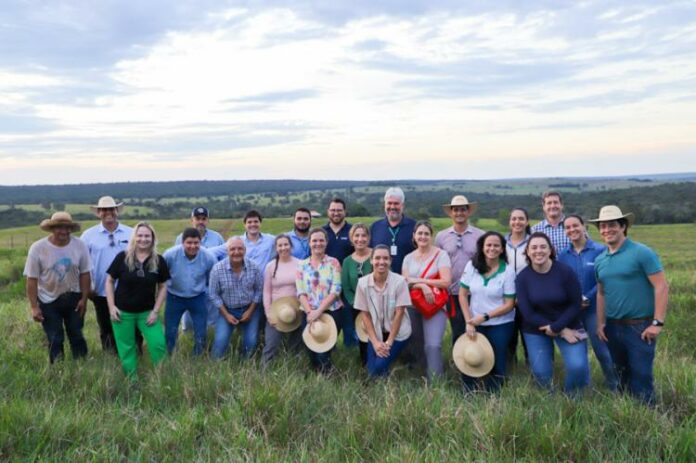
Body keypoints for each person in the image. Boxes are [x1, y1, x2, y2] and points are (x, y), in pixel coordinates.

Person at [591, 205, 669, 405]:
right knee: (620, 373)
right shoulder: (600, 260)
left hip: (640, 327)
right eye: (603, 226)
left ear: (623, 226)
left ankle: (649, 420)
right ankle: (627, 416)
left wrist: (657, 323)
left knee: (641, 375)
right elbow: (601, 293)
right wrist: (600, 323)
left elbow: (661, 286)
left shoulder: (642, 253)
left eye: (611, 225)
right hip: (613, 326)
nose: (607, 230)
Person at [515, 232, 589, 394]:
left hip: (569, 323)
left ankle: (572, 398)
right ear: (527, 251)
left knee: (578, 367)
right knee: (541, 373)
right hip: (536, 329)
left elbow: (576, 303)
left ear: (551, 250)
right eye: (533, 247)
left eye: (543, 247)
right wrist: (559, 329)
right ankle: (549, 399)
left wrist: (558, 326)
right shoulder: (522, 278)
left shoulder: (565, 272)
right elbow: (527, 313)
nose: (538, 251)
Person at [558, 214, 618, 391]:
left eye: (575, 225)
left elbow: (604, 279)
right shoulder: (563, 255)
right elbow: (562, 282)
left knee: (603, 351)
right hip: (572, 313)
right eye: (567, 227)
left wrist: (585, 298)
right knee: (578, 354)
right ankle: (584, 388)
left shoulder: (599, 250)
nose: (572, 230)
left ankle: (615, 387)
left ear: (584, 226)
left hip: (595, 311)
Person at [24, 212, 91, 363]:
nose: (64, 231)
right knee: (55, 337)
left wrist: (84, 299)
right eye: (59, 227)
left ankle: (81, 365)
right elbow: (32, 279)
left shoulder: (80, 245)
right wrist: (34, 306)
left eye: (67, 227)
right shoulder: (38, 248)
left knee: (77, 334)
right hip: (48, 299)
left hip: (73, 296)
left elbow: (85, 273)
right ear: (52, 228)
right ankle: (58, 369)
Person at [106, 222, 169, 378]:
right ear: (134, 237)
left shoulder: (158, 260)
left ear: (152, 238)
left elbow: (163, 286)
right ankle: (131, 379)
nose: (143, 239)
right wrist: (111, 307)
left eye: (147, 236)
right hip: (123, 312)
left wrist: (156, 311)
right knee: (126, 348)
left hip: (147, 313)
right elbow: (109, 281)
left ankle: (159, 376)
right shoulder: (123, 257)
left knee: (158, 344)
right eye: (140, 235)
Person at [458, 232, 516, 392]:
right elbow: (462, 295)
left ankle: (494, 392)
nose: (492, 248)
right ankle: (469, 391)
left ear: (502, 249)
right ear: (482, 248)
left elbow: (509, 304)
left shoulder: (508, 271)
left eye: (496, 245)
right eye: (488, 245)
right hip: (474, 321)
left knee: (497, 356)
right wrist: (469, 321)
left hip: (500, 323)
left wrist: (484, 317)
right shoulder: (472, 266)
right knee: (471, 354)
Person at [80, 196, 136, 354]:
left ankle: (134, 356)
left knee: (131, 326)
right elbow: (83, 264)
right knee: (106, 327)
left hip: (127, 290)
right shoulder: (88, 236)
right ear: (98, 213)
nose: (108, 213)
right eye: (104, 210)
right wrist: (88, 288)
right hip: (100, 290)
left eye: (111, 209)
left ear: (117, 211)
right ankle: (111, 360)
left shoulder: (131, 233)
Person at [402, 220, 452, 381]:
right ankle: (422, 373)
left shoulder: (440, 255)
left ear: (431, 236)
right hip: (413, 305)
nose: (423, 236)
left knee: (433, 345)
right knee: (416, 342)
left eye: (426, 233)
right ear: (414, 236)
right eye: (419, 233)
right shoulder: (408, 258)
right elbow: (405, 281)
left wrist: (422, 283)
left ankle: (436, 382)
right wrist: (423, 286)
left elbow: (446, 281)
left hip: (434, 306)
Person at [354, 245, 412, 377]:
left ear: (390, 261)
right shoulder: (362, 283)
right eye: (377, 258)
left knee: (378, 367)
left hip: (397, 332)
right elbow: (365, 315)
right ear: (371, 260)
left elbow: (400, 313)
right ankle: (384, 381)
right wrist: (375, 342)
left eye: (385, 258)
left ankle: (385, 375)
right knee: (371, 372)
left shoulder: (399, 282)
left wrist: (388, 343)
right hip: (375, 331)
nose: (381, 262)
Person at [435, 195, 483, 346]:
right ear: (451, 213)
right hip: (451, 292)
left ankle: (479, 361)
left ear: (468, 212)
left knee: (477, 327)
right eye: (455, 210)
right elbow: (437, 264)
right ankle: (460, 362)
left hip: (475, 291)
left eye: (463, 209)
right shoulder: (441, 237)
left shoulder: (480, 235)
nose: (459, 213)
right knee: (457, 329)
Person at [162, 228, 217, 356]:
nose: (193, 246)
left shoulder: (209, 257)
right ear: (182, 242)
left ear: (201, 242)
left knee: (201, 331)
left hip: (197, 297)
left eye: (196, 243)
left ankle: (197, 357)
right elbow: (162, 276)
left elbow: (211, 278)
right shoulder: (169, 255)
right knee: (170, 330)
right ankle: (170, 355)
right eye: (189, 243)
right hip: (174, 297)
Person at [296, 228, 343, 373]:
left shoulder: (333, 263)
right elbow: (301, 292)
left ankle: (328, 376)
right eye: (314, 240)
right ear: (309, 243)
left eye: (321, 240)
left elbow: (335, 290)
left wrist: (319, 311)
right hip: (308, 312)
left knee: (324, 351)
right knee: (311, 347)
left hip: (331, 311)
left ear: (326, 242)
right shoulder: (302, 265)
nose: (318, 243)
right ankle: (316, 378)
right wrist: (310, 312)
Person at [209, 237, 263, 360]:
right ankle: (215, 367)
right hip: (227, 310)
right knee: (220, 341)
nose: (236, 252)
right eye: (232, 249)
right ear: (227, 251)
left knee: (251, 342)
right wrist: (226, 315)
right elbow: (213, 294)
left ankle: (246, 366)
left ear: (245, 250)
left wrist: (250, 311)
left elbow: (259, 290)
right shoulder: (217, 269)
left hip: (250, 309)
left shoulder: (254, 267)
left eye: (240, 248)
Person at [176, 206, 225, 331]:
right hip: (189, 288)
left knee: (211, 323)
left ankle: (208, 348)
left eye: (204, 219)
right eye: (197, 219)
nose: (201, 222)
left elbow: (224, 262)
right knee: (188, 324)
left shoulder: (217, 238)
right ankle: (188, 347)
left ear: (208, 220)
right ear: (191, 220)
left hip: (211, 287)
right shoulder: (181, 238)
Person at [261, 235, 301, 365]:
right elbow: (266, 292)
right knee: (271, 344)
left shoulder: (300, 264)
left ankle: (293, 370)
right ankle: (264, 372)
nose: (283, 248)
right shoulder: (270, 267)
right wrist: (268, 314)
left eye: (286, 244)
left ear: (291, 246)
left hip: (296, 311)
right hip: (276, 311)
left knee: (295, 346)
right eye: (280, 245)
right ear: (276, 248)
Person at [324, 198, 356, 347]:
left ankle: (351, 354)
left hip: (349, 285)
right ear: (328, 212)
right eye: (333, 210)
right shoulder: (322, 233)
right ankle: (329, 349)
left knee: (350, 323)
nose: (336, 213)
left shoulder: (353, 231)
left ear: (345, 212)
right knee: (329, 322)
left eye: (339, 210)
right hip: (327, 288)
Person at [341, 223, 373, 364]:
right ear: (352, 239)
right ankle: (364, 364)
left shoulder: (376, 256)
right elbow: (346, 287)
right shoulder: (347, 262)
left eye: (364, 235)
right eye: (357, 235)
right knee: (363, 333)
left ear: (369, 238)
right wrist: (357, 304)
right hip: (356, 305)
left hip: (377, 303)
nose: (360, 239)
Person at [505, 207, 531, 364]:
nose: (517, 222)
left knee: (530, 336)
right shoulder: (501, 243)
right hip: (506, 300)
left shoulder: (533, 242)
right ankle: (510, 370)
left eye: (521, 218)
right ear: (509, 222)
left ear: (527, 221)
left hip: (529, 299)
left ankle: (534, 370)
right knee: (509, 337)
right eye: (514, 218)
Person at [369, 187, 416, 273]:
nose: (392, 207)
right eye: (389, 203)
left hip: (407, 281)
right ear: (385, 205)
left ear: (402, 205)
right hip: (381, 280)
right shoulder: (375, 227)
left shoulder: (414, 227)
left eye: (396, 203)